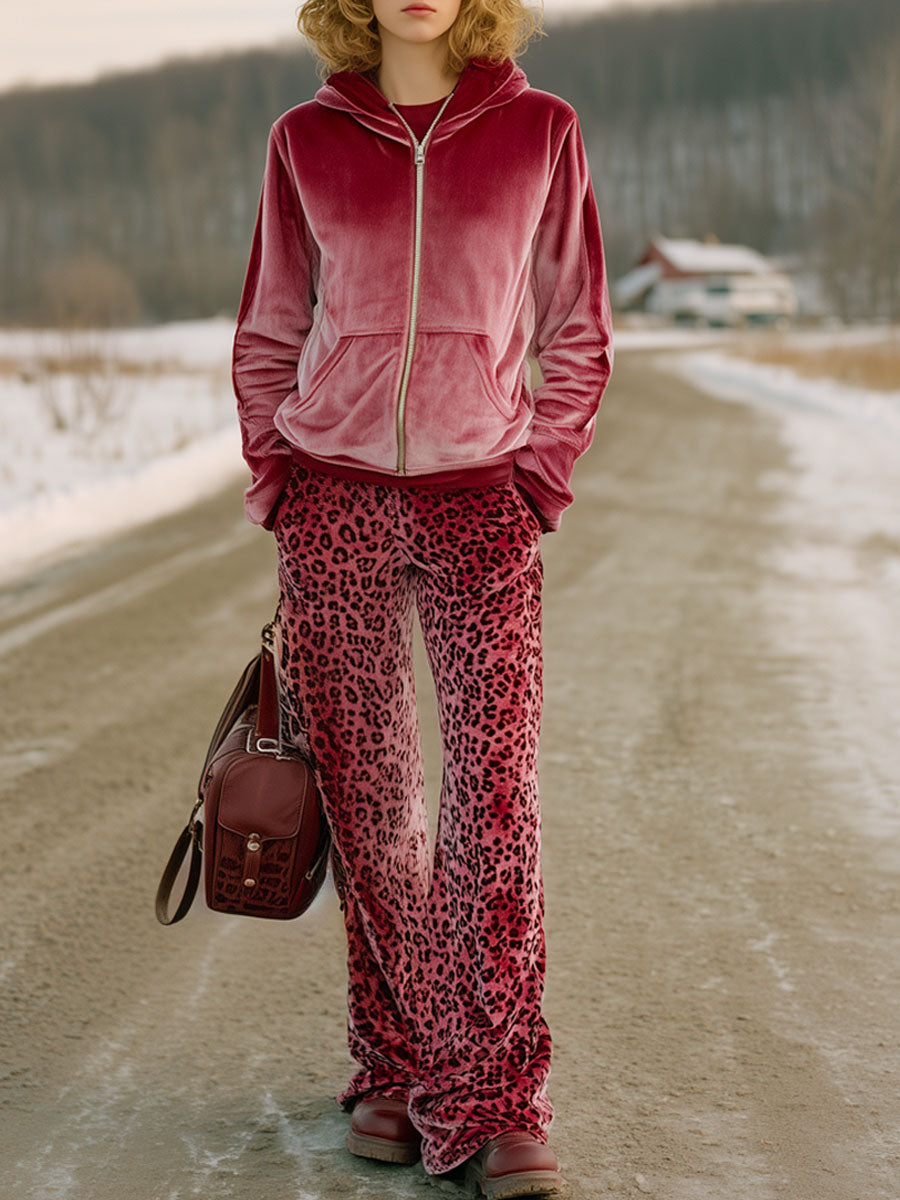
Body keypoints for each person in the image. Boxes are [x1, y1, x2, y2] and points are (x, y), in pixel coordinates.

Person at [231, 0, 613, 1194]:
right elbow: (267, 331)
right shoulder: (306, 139)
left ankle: (496, 1098)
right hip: (334, 501)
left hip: (480, 504)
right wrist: (279, 478)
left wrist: (536, 481)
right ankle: (398, 1064)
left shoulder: (539, 129)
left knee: (492, 797)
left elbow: (578, 329)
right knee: (372, 805)